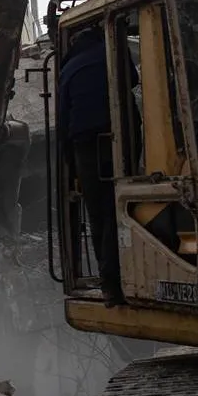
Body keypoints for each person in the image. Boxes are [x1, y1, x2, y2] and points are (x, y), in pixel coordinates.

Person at [59, 27, 134, 307]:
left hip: (85, 147)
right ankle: (127, 272)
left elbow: (63, 121)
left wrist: (72, 167)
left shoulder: (68, 69)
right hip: (120, 137)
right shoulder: (113, 52)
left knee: (98, 214)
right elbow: (134, 80)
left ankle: (109, 284)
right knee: (123, 207)